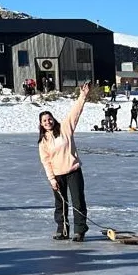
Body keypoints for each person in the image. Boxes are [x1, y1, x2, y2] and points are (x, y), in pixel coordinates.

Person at [39, 82, 91, 242]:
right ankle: (63, 230)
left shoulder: (65, 128)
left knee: (78, 200)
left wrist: (83, 96)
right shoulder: (43, 142)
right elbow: (46, 161)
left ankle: (80, 230)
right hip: (57, 175)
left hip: (73, 171)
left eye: (49, 119)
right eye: (44, 121)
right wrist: (52, 179)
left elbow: (75, 112)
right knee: (60, 204)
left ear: (53, 119)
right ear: (41, 124)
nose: (48, 122)